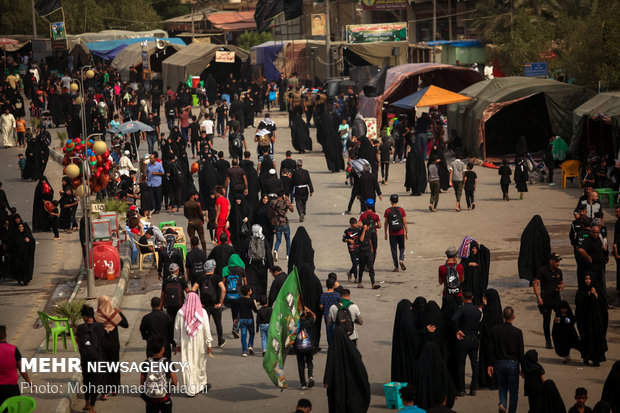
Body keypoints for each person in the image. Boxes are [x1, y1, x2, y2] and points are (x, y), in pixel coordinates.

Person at [173, 292, 213, 396]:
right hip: (199, 342)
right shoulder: (202, 312)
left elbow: (177, 329)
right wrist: (208, 344)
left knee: (187, 364)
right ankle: (200, 385)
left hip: (185, 342)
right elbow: (206, 329)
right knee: (199, 363)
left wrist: (177, 343)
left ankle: (190, 390)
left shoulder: (181, 312)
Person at [323, 327, 371, 413]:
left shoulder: (333, 349)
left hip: (337, 383)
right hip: (351, 382)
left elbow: (329, 365)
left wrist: (326, 381)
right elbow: (359, 364)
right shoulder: (351, 348)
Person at [488, 306, 525, 413]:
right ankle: (512, 411)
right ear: (513, 316)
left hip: (499, 362)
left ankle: (503, 403)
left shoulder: (495, 330)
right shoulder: (518, 332)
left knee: (502, 387)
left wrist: (490, 364)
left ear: (502, 316)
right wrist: (523, 368)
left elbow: (491, 348)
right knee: (514, 391)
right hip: (513, 364)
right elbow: (520, 352)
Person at [95, 295, 129, 398]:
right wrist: (120, 313)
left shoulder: (96, 316)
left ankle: (104, 392)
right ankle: (114, 389)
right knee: (114, 365)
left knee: (103, 367)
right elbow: (125, 324)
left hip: (102, 345)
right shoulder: (114, 314)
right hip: (114, 345)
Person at [451, 290, 482, 396]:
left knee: (461, 365)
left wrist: (457, 330)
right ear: (472, 297)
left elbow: (453, 319)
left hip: (464, 339)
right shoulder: (477, 311)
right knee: (474, 364)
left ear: (463, 298)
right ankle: (473, 388)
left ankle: (461, 389)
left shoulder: (462, 309)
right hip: (474, 339)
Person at [532, 252, 565, 349]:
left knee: (561, 318)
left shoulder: (559, 271)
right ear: (550, 261)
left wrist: (561, 287)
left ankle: (559, 338)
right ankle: (548, 341)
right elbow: (535, 284)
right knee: (546, 321)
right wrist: (538, 297)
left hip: (556, 299)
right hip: (545, 300)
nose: (558, 263)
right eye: (556, 261)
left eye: (559, 261)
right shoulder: (542, 270)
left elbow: (562, 283)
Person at [76, 305, 105, 413]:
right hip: (97, 358)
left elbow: (78, 341)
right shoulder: (100, 326)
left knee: (86, 381)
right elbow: (101, 338)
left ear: (85, 316)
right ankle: (92, 407)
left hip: (85, 359)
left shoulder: (80, 328)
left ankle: (86, 402)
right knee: (94, 383)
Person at [575, 274, 607, 366]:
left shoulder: (597, 289)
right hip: (585, 321)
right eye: (586, 279)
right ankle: (586, 356)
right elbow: (578, 302)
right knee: (586, 338)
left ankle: (596, 359)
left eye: (589, 279)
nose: (587, 281)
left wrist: (596, 295)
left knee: (596, 338)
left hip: (596, 322)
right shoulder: (582, 290)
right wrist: (587, 295)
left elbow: (603, 303)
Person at [140, 335, 177, 413]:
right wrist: (168, 387)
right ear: (163, 349)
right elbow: (175, 382)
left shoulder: (146, 363)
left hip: (150, 399)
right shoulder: (167, 362)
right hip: (165, 398)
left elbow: (142, 382)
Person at [0, 325, 32, 406]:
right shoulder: (13, 349)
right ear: (6, 335)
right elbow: (22, 369)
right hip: (12, 388)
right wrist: (28, 380)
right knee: (13, 409)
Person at [478, 289, 503, 390]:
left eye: (485, 297)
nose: (483, 299)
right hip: (496, 341)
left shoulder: (487, 312)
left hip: (487, 341)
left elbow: (483, 326)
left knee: (487, 361)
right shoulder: (498, 310)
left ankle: (486, 380)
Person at [222, 254, 247, 338]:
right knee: (240, 311)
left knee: (234, 310)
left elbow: (223, 282)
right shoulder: (241, 269)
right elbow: (245, 282)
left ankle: (235, 325)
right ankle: (235, 328)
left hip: (230, 294)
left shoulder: (225, 269)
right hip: (239, 293)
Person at [384, 194, 408, 272]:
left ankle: (396, 267)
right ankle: (401, 259)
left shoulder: (388, 210)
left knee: (394, 250)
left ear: (390, 201)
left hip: (392, 233)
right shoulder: (401, 210)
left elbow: (386, 223)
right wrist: (407, 232)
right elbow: (404, 221)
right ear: (397, 200)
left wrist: (385, 233)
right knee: (402, 247)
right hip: (400, 232)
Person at [294, 306, 316, 389]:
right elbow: (314, 316)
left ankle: (303, 384)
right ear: (305, 314)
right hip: (309, 346)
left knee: (300, 364)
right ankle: (310, 376)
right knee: (309, 361)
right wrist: (309, 310)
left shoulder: (296, 323)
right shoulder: (309, 322)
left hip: (299, 347)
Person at [270, 191, 294, 262]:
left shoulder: (273, 202)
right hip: (285, 222)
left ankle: (275, 250)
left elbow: (270, 212)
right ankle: (288, 255)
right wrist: (288, 200)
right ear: (283, 195)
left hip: (277, 223)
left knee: (278, 240)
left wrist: (272, 219)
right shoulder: (285, 202)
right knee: (288, 239)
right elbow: (292, 210)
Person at [319, 278, 341, 347]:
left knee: (328, 331)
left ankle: (330, 346)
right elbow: (340, 304)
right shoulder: (337, 295)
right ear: (334, 285)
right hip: (336, 315)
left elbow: (321, 306)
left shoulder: (323, 295)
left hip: (327, 315)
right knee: (336, 330)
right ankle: (336, 345)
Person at [236, 285, 257, 357]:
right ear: (248, 292)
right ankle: (250, 345)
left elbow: (236, 310)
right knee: (252, 333)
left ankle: (244, 351)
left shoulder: (239, 300)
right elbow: (255, 310)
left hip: (242, 319)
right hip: (250, 319)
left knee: (243, 335)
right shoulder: (251, 300)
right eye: (250, 290)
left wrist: (235, 319)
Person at [343, 217, 361, 283]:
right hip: (351, 249)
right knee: (354, 263)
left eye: (355, 224)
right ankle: (356, 278)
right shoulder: (347, 231)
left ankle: (350, 273)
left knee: (357, 263)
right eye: (353, 224)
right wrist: (348, 240)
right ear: (350, 224)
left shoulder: (359, 230)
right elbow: (343, 239)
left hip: (358, 248)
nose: (354, 225)